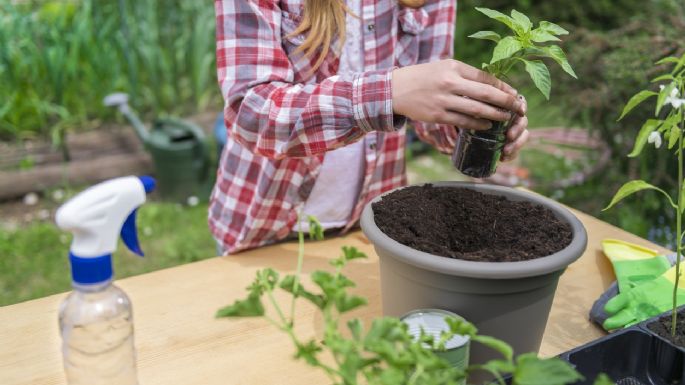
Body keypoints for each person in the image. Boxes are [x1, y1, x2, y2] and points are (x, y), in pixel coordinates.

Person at [210, 0, 529, 254]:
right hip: (265, 226)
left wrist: (476, 122)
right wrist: (387, 93)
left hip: (372, 223)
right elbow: (251, 114)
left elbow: (427, 111)